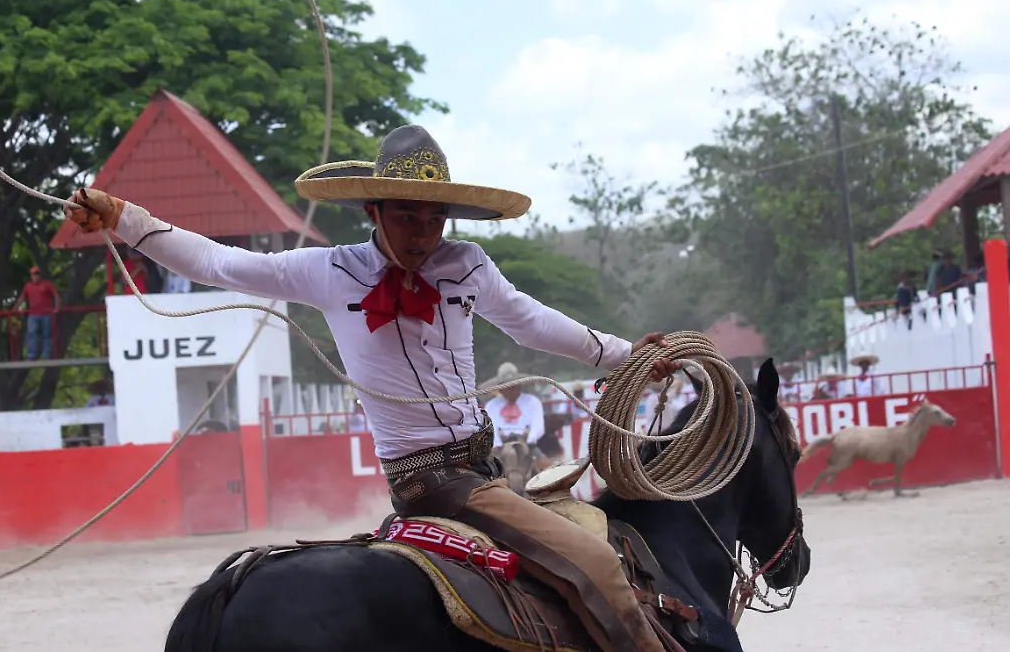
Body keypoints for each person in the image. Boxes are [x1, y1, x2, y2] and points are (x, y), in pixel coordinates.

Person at [64, 124, 679, 651]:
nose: (422, 232)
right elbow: (219, 262)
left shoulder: (467, 264)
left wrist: (625, 356)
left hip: (485, 469)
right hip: (433, 484)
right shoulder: (331, 272)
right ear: (374, 212)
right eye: (406, 215)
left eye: (435, 216)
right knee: (597, 563)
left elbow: (531, 322)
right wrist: (126, 220)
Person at [480, 362, 548, 461]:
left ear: (519, 385)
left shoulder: (533, 402)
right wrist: (499, 445)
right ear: (500, 388)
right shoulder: (491, 406)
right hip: (499, 449)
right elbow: (489, 429)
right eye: (507, 386)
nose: (510, 388)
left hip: (527, 446)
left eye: (513, 385)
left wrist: (525, 441)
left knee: (548, 468)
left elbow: (538, 427)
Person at [12, 266, 59, 360]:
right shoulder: (28, 286)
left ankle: (46, 355)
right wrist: (15, 309)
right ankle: (31, 355)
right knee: (31, 333)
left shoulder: (47, 284)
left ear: (40, 275)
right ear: (31, 276)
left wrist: (57, 308)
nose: (35, 276)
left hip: (46, 313)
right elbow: (22, 298)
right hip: (33, 314)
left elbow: (55, 295)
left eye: (37, 274)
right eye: (33, 274)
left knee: (46, 334)